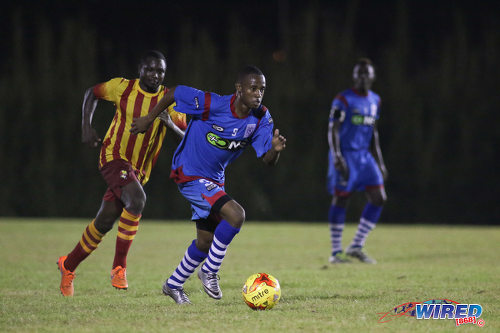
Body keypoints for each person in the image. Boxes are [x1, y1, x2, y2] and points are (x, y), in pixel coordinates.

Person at [130, 65, 286, 304]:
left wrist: (274, 150)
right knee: (236, 215)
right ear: (239, 89)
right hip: (189, 172)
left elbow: (267, 160)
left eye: (262, 89)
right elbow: (174, 92)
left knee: (205, 242)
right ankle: (209, 271)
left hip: (214, 179)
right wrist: (149, 119)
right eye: (253, 88)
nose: (258, 93)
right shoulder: (213, 103)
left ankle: (173, 284)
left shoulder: (261, 118)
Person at [57, 50, 187, 296]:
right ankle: (119, 267)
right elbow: (91, 93)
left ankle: (68, 265)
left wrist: (169, 123)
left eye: (160, 70)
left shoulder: (168, 99)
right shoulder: (123, 88)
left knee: (104, 222)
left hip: (138, 171)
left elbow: (186, 135)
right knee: (137, 200)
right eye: (150, 69)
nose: (155, 75)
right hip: (113, 157)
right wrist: (86, 126)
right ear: (140, 70)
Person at [326, 58, 388, 264]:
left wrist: (380, 161)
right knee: (342, 198)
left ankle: (356, 246)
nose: (362, 77)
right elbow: (332, 128)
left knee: (379, 197)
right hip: (346, 154)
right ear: (354, 76)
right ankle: (336, 253)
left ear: (372, 77)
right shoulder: (343, 99)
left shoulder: (375, 100)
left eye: (366, 73)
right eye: (359, 73)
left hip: (365, 156)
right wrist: (336, 156)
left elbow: (375, 132)